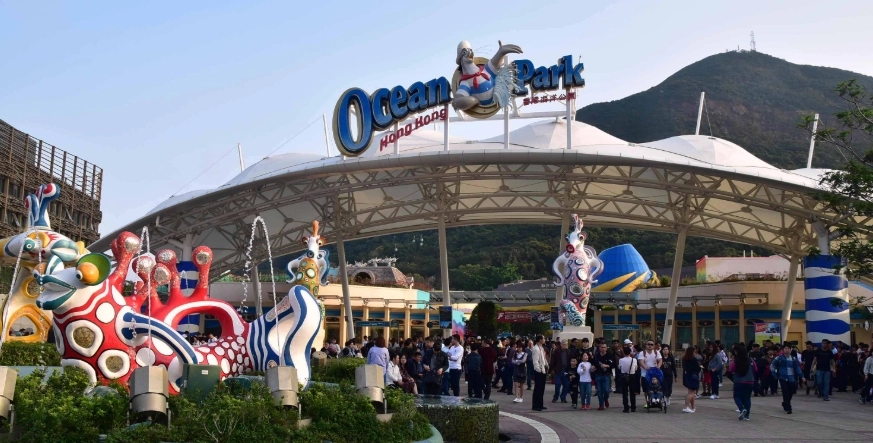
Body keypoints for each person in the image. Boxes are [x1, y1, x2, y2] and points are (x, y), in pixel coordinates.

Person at [770, 343, 804, 414]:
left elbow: (797, 368)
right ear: (782, 350)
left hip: (791, 378)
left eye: (788, 348)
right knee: (785, 392)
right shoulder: (779, 358)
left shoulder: (793, 358)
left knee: (791, 392)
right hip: (782, 378)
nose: (787, 350)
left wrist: (802, 376)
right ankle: (788, 408)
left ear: (790, 349)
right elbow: (772, 366)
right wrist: (774, 375)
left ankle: (785, 403)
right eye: (785, 348)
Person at [731, 343, 755, 421]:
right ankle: (747, 416)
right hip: (750, 381)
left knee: (737, 396)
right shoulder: (751, 360)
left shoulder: (735, 361)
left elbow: (730, 370)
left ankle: (742, 409)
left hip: (739, 381)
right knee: (747, 398)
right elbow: (756, 369)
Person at [592, 342, 615, 410]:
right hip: (598, 375)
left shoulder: (609, 355)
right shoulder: (596, 355)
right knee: (599, 391)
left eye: (605, 347)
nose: (603, 349)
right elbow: (593, 363)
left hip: (606, 375)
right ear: (599, 348)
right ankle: (601, 404)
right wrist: (593, 366)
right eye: (602, 347)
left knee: (606, 390)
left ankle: (606, 399)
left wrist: (607, 365)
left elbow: (613, 365)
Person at [531, 335, 548, 411]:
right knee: (537, 388)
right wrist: (539, 370)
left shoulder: (541, 348)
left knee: (542, 389)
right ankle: (535, 405)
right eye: (543, 338)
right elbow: (535, 361)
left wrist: (547, 365)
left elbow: (543, 359)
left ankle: (540, 404)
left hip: (543, 370)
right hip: (539, 371)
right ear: (540, 340)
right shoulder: (536, 349)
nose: (545, 340)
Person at [617, 347, 638, 413]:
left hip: (623, 376)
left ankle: (626, 408)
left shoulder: (621, 360)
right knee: (632, 392)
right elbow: (636, 368)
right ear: (630, 352)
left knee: (624, 393)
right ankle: (633, 407)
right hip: (632, 376)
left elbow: (619, 367)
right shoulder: (634, 360)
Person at [682, 346, 701, 413]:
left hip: (687, 376)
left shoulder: (685, 359)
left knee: (692, 392)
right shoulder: (693, 359)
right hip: (694, 377)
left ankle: (693, 406)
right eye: (694, 351)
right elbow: (697, 368)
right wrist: (700, 368)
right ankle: (686, 406)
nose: (695, 353)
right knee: (691, 392)